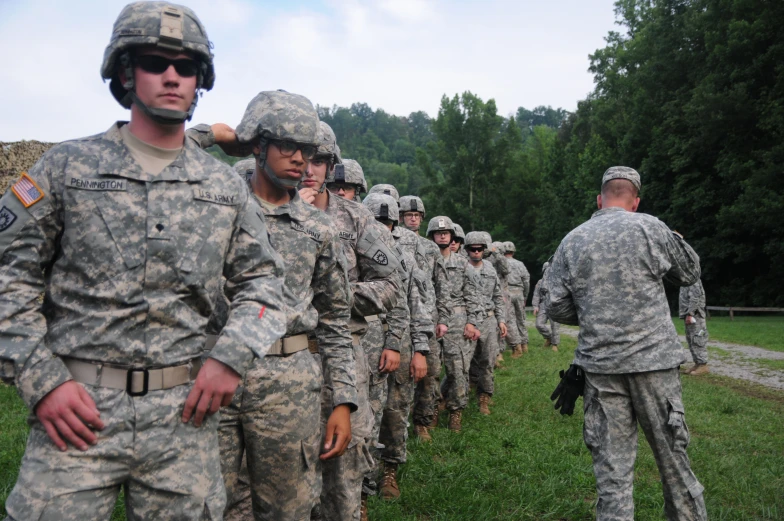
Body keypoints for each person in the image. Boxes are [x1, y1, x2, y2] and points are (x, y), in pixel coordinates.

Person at [0, 3, 288, 519]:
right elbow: (7, 277)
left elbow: (265, 282)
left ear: (202, 80)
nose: (173, 75)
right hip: (77, 414)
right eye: (156, 62)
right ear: (127, 72)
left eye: (188, 66)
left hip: (185, 420)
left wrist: (231, 357)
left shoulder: (223, 186)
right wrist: (42, 380)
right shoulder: (66, 168)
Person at [196, 91, 357, 521]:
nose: (300, 160)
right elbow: (155, 163)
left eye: (307, 150)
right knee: (202, 504)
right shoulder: (215, 206)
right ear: (258, 144)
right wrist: (212, 135)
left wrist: (342, 400)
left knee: (287, 509)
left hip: (288, 383)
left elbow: (336, 323)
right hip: (211, 374)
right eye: (288, 145)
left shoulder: (319, 230)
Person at [546, 166, 706, 521]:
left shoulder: (573, 239)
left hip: (601, 369)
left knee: (612, 474)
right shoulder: (651, 227)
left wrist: (592, 314)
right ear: (635, 201)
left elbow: (554, 305)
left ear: (599, 199)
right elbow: (690, 273)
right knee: (674, 465)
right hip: (654, 366)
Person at [363, 193, 433, 507]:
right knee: (363, 418)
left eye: (387, 222)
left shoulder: (404, 260)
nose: (381, 227)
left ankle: (389, 469)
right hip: (361, 346)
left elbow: (416, 306)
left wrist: (420, 350)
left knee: (394, 412)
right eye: (375, 221)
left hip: (400, 345)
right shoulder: (351, 252)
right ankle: (361, 487)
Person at [398, 195, 447, 437]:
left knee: (431, 371)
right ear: (400, 217)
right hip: (401, 316)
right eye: (408, 215)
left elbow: (441, 285)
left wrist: (443, 320)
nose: (413, 218)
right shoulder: (391, 241)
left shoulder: (431, 248)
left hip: (429, 316)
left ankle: (423, 421)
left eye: (417, 215)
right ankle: (399, 425)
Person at [428, 216, 481, 432]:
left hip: (458, 323)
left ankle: (455, 413)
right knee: (431, 371)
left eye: (446, 233)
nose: (442, 235)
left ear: (452, 237)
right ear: (431, 236)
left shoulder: (462, 264)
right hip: (430, 320)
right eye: (438, 233)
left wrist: (473, 322)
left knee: (457, 370)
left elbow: (474, 294)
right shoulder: (425, 260)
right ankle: (428, 413)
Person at [464, 232, 507, 415]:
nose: (476, 252)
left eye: (479, 249)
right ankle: (454, 397)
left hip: (489, 320)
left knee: (488, 360)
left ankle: (484, 397)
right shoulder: (461, 268)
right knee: (463, 362)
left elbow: (497, 295)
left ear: (484, 250)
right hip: (468, 321)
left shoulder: (490, 269)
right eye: (472, 249)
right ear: (467, 250)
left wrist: (501, 320)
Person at [504, 241, 530, 358]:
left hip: (507, 292)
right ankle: (525, 345)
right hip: (519, 292)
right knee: (521, 319)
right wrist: (525, 295)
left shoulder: (502, 263)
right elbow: (526, 280)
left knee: (511, 320)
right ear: (513, 251)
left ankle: (516, 346)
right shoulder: (520, 264)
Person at [679, 280, 709, 375]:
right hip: (690, 316)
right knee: (691, 340)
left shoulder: (694, 280)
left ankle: (703, 365)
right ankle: (697, 363)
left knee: (698, 339)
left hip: (696, 316)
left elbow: (695, 298)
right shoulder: (686, 280)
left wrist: (690, 313)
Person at [532, 262, 560, 351]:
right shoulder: (540, 282)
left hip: (554, 304)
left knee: (555, 326)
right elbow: (536, 295)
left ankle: (555, 345)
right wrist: (535, 306)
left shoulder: (558, 281)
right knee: (539, 324)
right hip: (543, 304)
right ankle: (549, 338)